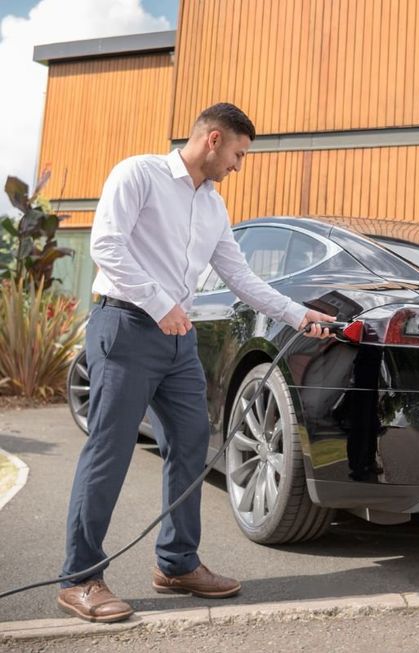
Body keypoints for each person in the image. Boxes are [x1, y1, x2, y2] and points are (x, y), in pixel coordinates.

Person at [57, 103, 334, 623]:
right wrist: (161, 305)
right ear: (212, 139)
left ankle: (177, 562)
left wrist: (300, 316)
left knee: (191, 445)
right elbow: (107, 247)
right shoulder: (137, 173)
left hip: (177, 342)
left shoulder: (214, 207)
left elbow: (242, 279)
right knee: (109, 452)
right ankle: (80, 578)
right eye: (237, 152)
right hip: (126, 327)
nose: (238, 163)